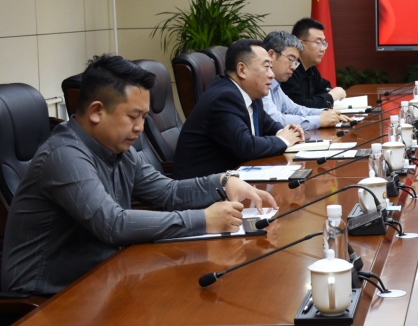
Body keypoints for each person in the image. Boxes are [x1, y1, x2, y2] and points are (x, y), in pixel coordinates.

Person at [0, 54, 275, 296]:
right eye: (133, 117)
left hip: (101, 276)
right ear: (96, 111)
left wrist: (224, 182)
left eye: (144, 117)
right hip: (46, 298)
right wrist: (203, 219)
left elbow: (167, 193)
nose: (140, 128)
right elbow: (112, 224)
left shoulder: (118, 149)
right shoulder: (64, 155)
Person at [173, 39, 304, 179]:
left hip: (234, 178)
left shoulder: (252, 94)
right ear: (242, 70)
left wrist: (288, 131)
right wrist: (284, 140)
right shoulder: (224, 98)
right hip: (202, 186)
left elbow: (269, 125)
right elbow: (246, 147)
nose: (271, 74)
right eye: (266, 67)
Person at [262, 30, 347, 130]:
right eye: (290, 59)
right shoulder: (261, 83)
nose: (294, 67)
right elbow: (275, 120)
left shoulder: (275, 84)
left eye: (296, 62)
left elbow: (294, 109)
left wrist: (325, 113)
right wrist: (319, 120)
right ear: (271, 55)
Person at [280, 18, 346, 108]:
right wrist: (330, 97)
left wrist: (319, 99)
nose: (322, 49)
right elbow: (299, 107)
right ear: (300, 44)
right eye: (318, 43)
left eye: (324, 43)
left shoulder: (311, 69)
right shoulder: (289, 70)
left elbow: (325, 88)